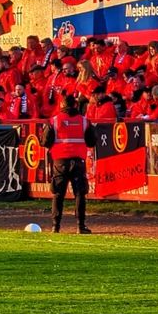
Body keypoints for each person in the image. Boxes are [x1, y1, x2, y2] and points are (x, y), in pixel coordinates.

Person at [43, 94, 95, 234]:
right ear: (76, 105)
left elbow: (45, 141)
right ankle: (81, 226)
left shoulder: (54, 121)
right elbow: (92, 142)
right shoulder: (84, 121)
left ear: (62, 105)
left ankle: (55, 226)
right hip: (78, 161)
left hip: (60, 161)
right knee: (79, 194)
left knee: (58, 194)